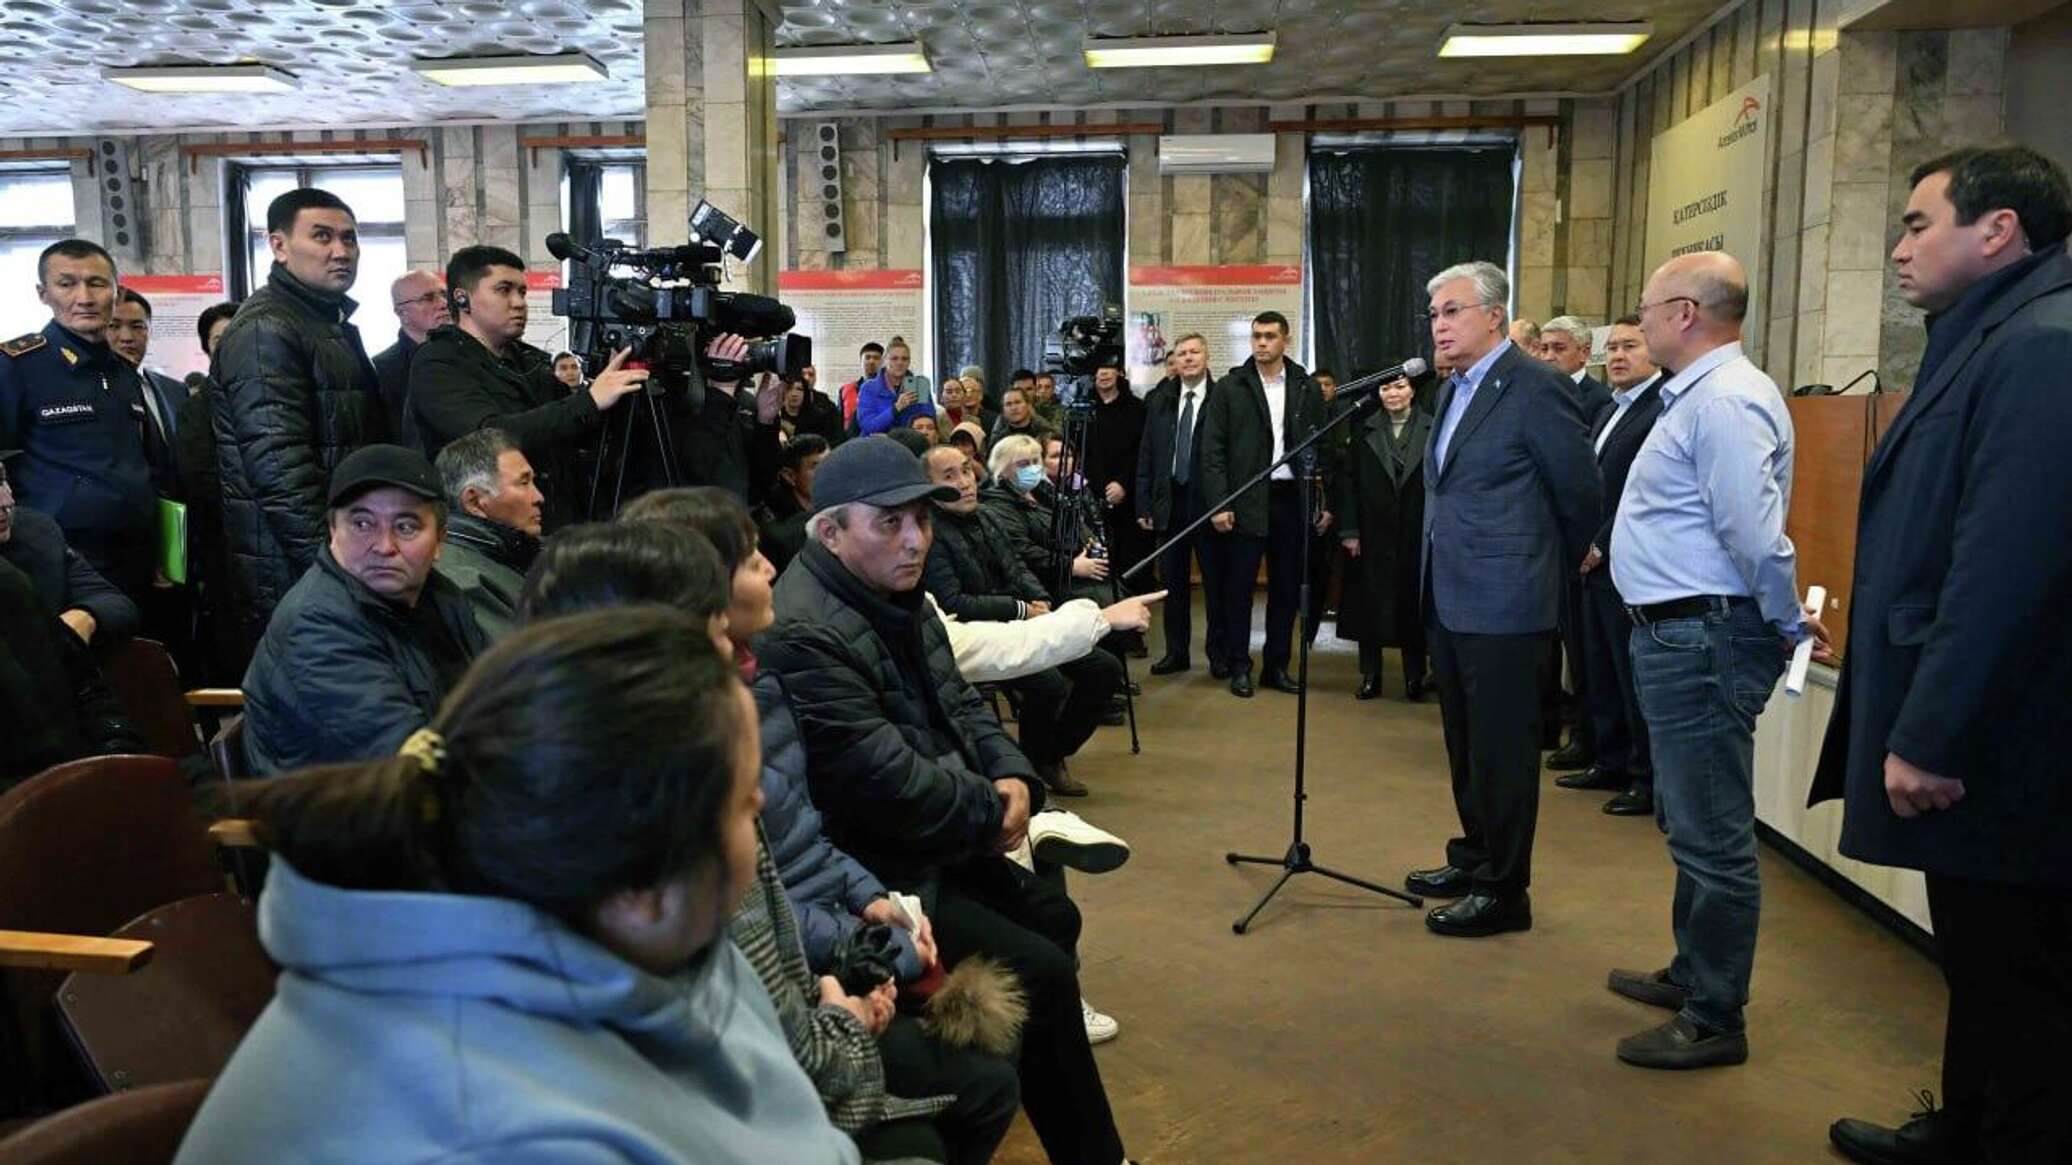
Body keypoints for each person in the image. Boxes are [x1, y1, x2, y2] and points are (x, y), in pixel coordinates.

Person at [175, 609, 864, 1165]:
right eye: (746, 801)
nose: (765, 808)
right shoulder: (497, 1136)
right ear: (641, 886)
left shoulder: (656, 934)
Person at [757, 436, 1138, 1165]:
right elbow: (879, 776)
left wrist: (1016, 777)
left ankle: (1047, 1086)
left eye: (922, 521)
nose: (915, 539)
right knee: (1044, 968)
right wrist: (989, 809)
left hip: (929, 835)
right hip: (876, 863)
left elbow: (961, 704)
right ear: (830, 529)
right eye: (890, 522)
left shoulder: (898, 592)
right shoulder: (805, 629)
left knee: (1055, 917)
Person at [1813, 145, 2072, 1165]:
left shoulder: (2040, 345)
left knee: (2022, 979)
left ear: (1996, 229)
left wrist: (1926, 730)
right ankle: (1963, 1125)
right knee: (1980, 960)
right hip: (1984, 737)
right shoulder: (1991, 331)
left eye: (1918, 223)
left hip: (2002, 742)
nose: (1897, 247)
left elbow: (2003, 567)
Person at [1605, 251, 1802, 1070]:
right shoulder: (1696, 397)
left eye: (1648, 308)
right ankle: (1693, 971)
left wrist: (1788, 618)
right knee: (1689, 819)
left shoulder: (1724, 401)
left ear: (1685, 312)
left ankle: (1717, 1015)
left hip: (1705, 636)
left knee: (1714, 831)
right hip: (1678, 632)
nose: (1640, 322)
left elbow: (1753, 536)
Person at [1406, 260, 1598, 939]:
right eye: (1434, 314)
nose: (1440, 325)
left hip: (1508, 599)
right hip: (1450, 593)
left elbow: (1579, 491)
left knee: (1505, 750)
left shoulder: (1535, 387)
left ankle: (1505, 889)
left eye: (1452, 311)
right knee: (1465, 742)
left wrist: (1553, 561)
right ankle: (1476, 854)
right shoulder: (1450, 391)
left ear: (1494, 315)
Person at [211, 188, 389, 663]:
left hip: (340, 550)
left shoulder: (322, 321)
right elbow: (279, 469)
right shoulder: (266, 328)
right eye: (322, 236)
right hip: (297, 567)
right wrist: (333, 567)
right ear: (279, 245)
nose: (341, 251)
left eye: (350, 239)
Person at [240, 444, 488, 777]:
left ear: (440, 540)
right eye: (362, 524)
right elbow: (404, 759)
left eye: (405, 526)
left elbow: (498, 698)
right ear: (332, 530)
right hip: (343, 815)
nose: (384, 547)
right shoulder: (317, 625)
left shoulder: (440, 596)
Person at [921, 444, 1115, 798]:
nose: (965, 482)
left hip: (1024, 617)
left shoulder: (987, 516)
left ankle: (1049, 754)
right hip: (982, 633)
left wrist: (1042, 602)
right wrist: (1021, 609)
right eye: (950, 476)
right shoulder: (930, 533)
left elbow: (1017, 568)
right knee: (1050, 684)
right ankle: (1035, 765)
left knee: (1104, 668)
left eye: (967, 470)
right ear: (929, 486)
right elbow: (954, 603)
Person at [408, 245, 644, 531]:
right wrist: (589, 402)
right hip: (486, 531)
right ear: (462, 298)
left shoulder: (531, 361)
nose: (519, 302)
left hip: (553, 523)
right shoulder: (437, 362)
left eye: (522, 292)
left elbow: (571, 433)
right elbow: (488, 436)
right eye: (503, 290)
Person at [0, 238, 162, 605]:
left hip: (134, 554)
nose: (85, 297)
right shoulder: (16, 366)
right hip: (62, 560)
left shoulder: (123, 373)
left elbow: (143, 467)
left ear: (115, 292)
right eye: (67, 283)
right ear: (44, 293)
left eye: (97, 283)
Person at [1561, 316, 1665, 816]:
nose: (1618, 356)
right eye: (1614, 347)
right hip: (1590, 560)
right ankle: (1609, 759)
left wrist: (1601, 543)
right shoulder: (1611, 409)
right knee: (1596, 664)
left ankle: (1645, 778)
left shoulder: (1660, 408)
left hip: (1625, 560)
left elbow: (1637, 493)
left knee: (1629, 673)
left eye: (1631, 346)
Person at [1198, 310, 1331, 699]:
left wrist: (1322, 499)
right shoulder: (1231, 387)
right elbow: (1213, 451)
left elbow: (1320, 445)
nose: (1261, 343)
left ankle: (1277, 666)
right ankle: (1240, 665)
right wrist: (1220, 504)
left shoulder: (1305, 387)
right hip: (1245, 499)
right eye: (1256, 336)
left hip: (1291, 499)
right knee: (1238, 590)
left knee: (1286, 590)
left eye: (1270, 336)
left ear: (1285, 340)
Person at [1538, 314, 1614, 769]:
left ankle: (1591, 739)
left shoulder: (1598, 399)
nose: (1548, 357)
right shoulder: (1539, 391)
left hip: (1586, 544)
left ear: (1584, 353)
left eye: (1558, 349)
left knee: (1587, 652)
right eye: (1543, 348)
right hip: (1548, 538)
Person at [1134, 331, 1231, 677]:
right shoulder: (1161, 399)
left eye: (1194, 352)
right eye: (1182, 353)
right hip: (1169, 502)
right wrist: (1144, 504)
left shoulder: (1223, 397)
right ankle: (1177, 653)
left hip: (1209, 505)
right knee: (1172, 586)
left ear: (1206, 358)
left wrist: (1226, 503)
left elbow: (1231, 457)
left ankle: (1218, 655)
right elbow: (1146, 454)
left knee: (1216, 584)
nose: (1187, 358)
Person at [0, 558, 139, 790]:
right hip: (27, 802)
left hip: (83, 775)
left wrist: (119, 751)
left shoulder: (13, 583)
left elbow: (88, 689)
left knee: (201, 785)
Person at [1333, 373, 1430, 701]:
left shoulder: (1433, 428)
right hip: (1372, 534)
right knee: (1369, 607)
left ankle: (1415, 677)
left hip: (1417, 533)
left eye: (1400, 386)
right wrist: (1349, 530)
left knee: (1413, 608)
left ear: (1412, 389)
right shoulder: (1363, 431)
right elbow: (1348, 484)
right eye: (1386, 387)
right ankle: (1371, 675)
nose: (1393, 394)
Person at [0, 448, 138, 645]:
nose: (6, 501)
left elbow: (114, 602)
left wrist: (84, 617)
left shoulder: (37, 532)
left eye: (1, 480)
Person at [177, 300, 242, 683]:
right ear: (207, 349)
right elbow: (201, 482)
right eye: (221, 339)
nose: (231, 345)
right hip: (228, 551)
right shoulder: (198, 411)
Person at [432, 428, 544, 640]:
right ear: (474, 501)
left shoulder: (509, 554)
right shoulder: (464, 581)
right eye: (524, 482)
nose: (539, 497)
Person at [1082, 359, 1149, 597]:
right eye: (1098, 368)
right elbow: (1081, 454)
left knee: (1132, 562)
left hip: (1129, 498)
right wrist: (1101, 487)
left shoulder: (1137, 408)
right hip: (1092, 495)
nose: (1103, 373)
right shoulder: (1083, 408)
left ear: (1119, 373)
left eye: (1108, 368)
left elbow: (1142, 452)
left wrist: (1122, 484)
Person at [107, 287, 185, 487]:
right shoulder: (88, 388)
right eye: (113, 326)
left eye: (137, 326)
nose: (126, 337)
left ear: (150, 331)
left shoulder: (174, 390)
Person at [370, 270, 450, 433]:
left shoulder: (468, 353)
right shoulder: (383, 368)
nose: (443, 303)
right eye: (428, 298)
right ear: (402, 313)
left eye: (444, 294)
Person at [857, 337, 934, 436]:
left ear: (909, 362)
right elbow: (868, 426)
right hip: (875, 445)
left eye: (904, 359)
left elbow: (928, 423)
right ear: (884, 361)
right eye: (894, 358)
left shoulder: (919, 385)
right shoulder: (869, 388)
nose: (899, 363)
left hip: (910, 444)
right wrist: (896, 408)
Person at [778, 376, 844, 447]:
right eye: (789, 389)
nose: (794, 394)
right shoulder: (775, 417)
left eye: (799, 389)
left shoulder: (817, 418)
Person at [840, 342, 885, 431]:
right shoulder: (846, 389)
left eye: (876, 358)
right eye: (867, 358)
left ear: (883, 363)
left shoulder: (892, 390)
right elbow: (839, 422)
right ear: (861, 361)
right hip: (851, 441)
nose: (871, 361)